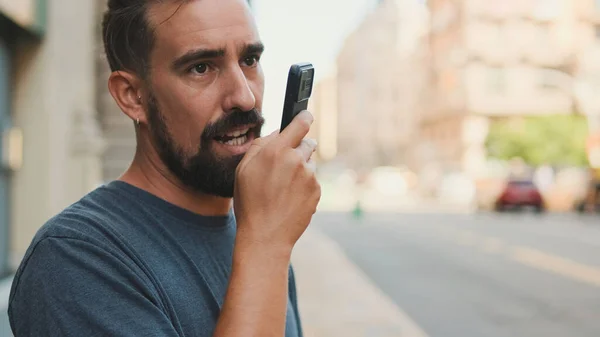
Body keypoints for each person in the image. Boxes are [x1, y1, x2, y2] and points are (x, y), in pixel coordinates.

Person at [8, 0, 321, 336]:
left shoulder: (258, 231)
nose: (244, 97)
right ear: (132, 96)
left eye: (249, 60)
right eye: (201, 67)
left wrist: (266, 241)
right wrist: (265, 244)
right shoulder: (74, 259)